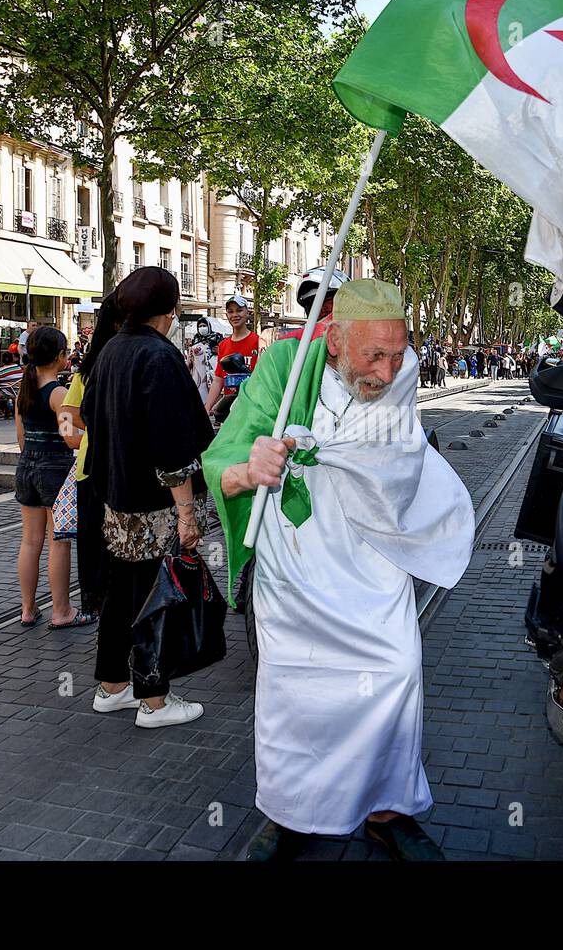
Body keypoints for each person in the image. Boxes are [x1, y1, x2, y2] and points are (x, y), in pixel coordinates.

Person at [203, 279, 475, 861]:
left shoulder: (402, 372)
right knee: (294, 692)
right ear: (331, 340)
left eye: (397, 354)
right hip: (296, 565)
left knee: (396, 672)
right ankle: (290, 813)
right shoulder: (285, 362)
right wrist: (253, 468)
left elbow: (399, 459)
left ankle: (387, 809)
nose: (386, 370)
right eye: (373, 355)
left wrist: (325, 453)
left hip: (372, 559)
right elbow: (221, 461)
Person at [82, 266, 213, 729]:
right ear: (169, 310)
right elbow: (173, 445)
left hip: (116, 497)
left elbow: (86, 417)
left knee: (123, 591)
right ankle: (154, 700)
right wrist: (186, 514)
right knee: (155, 596)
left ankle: (112, 686)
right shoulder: (158, 356)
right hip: (154, 503)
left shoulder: (111, 350)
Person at [14, 326, 94, 630]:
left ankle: (28, 608)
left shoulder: (26, 388)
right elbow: (70, 438)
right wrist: (93, 431)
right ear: (60, 356)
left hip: (27, 466)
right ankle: (62, 610)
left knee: (30, 541)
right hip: (55, 470)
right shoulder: (58, 393)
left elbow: (20, 436)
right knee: (58, 541)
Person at [59, 299, 128, 618]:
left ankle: (100, 604)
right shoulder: (91, 370)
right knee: (104, 547)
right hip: (102, 469)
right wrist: (100, 428)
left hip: (95, 468)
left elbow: (68, 417)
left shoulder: (91, 367)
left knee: (99, 547)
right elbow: (68, 416)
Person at [203, 295, 262, 418]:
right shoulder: (223, 345)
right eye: (231, 311)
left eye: (239, 310)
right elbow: (218, 379)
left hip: (253, 407)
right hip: (230, 409)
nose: (235, 315)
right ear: (227, 315)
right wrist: (207, 407)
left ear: (247, 312)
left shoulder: (258, 341)